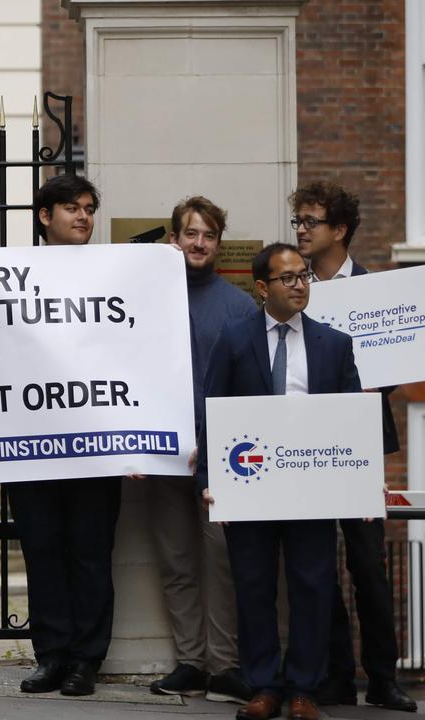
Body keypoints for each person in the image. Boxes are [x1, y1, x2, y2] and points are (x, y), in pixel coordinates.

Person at [201, 243, 360, 720]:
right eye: (287, 278)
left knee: (312, 586)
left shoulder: (334, 343)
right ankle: (264, 686)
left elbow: (351, 421)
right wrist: (210, 481)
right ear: (263, 287)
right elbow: (214, 412)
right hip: (250, 485)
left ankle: (303, 691)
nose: (299, 285)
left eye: (303, 276)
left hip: (311, 488)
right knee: (253, 586)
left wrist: (363, 481)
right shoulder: (233, 338)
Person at [289, 181, 416, 712]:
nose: (300, 229)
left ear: (339, 230)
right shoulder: (292, 289)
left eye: (310, 221)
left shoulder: (374, 291)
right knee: (317, 566)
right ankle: (336, 675)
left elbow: (394, 366)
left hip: (360, 442)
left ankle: (384, 680)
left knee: (367, 566)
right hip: (306, 444)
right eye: (297, 220)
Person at [8, 174, 118, 697]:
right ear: (44, 216)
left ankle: (85, 660)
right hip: (31, 443)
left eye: (89, 208)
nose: (83, 217)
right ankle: (50, 654)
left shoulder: (113, 272)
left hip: (95, 444)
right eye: (71, 208)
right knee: (43, 551)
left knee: (91, 553)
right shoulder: (9, 273)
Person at [147, 197, 256, 702]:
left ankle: (225, 665)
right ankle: (190, 661)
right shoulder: (145, 299)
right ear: (173, 239)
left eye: (208, 235)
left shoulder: (238, 307)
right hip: (163, 457)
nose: (198, 243)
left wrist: (214, 445)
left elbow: (249, 387)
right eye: (190, 234)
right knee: (177, 563)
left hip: (222, 462)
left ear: (217, 242)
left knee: (223, 563)